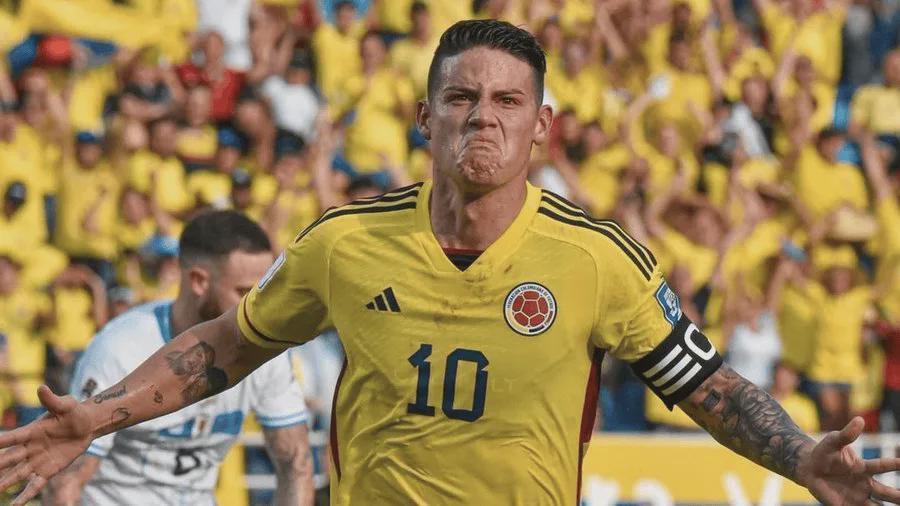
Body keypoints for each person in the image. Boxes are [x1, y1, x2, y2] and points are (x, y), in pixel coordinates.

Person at [2, 20, 900, 506]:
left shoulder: (596, 259)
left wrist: (800, 457)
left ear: (541, 125)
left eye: (508, 100)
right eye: (462, 96)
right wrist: (100, 416)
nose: (484, 116)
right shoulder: (344, 243)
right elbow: (225, 347)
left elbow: (710, 388)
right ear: (425, 117)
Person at [41, 211, 313, 506]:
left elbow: (296, 465)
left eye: (264, 292)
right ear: (199, 281)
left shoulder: (266, 351)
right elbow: (66, 483)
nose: (259, 309)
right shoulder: (120, 347)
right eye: (245, 292)